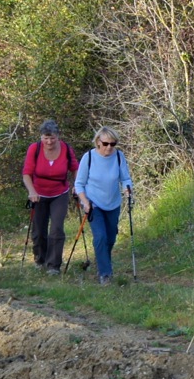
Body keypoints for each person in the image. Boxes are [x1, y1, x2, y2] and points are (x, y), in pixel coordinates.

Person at [74, 127, 134, 285]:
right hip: (93, 204)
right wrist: (85, 202)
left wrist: (127, 189)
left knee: (111, 238)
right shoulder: (88, 158)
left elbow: (125, 178)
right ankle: (105, 274)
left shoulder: (119, 156)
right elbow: (79, 184)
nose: (109, 147)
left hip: (113, 203)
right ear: (98, 142)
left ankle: (102, 260)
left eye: (113, 144)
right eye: (105, 143)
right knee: (100, 237)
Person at [22, 120, 78, 275]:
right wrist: (32, 191)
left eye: (52, 138)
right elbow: (26, 173)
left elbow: (75, 169)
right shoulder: (35, 149)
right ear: (41, 137)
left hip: (59, 193)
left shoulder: (66, 149)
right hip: (38, 194)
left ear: (58, 136)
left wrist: (76, 185)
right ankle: (40, 259)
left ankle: (54, 265)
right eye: (45, 138)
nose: (49, 142)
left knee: (57, 228)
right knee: (39, 230)